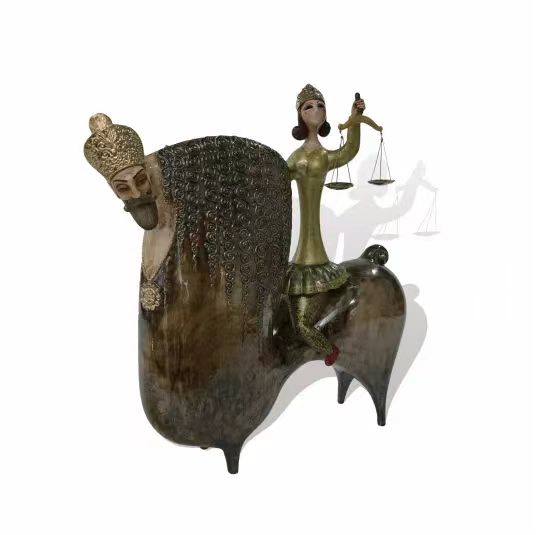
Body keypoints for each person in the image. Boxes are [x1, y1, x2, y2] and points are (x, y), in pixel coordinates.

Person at [286, 84, 365, 366]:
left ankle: (329, 349)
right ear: (300, 115)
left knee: (302, 325)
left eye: (320, 106)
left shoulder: (326, 157)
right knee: (296, 322)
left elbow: (350, 150)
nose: (316, 110)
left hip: (316, 254)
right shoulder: (295, 158)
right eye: (308, 106)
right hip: (302, 253)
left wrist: (355, 120)